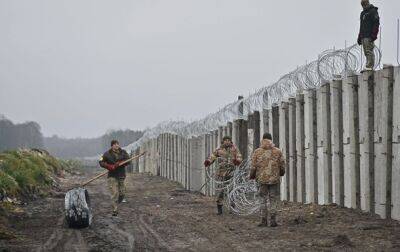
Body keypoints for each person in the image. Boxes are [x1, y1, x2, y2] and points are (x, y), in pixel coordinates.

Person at [250, 133, 285, 227]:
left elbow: (253, 166)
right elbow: (282, 164)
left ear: (262, 140)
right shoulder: (277, 151)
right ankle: (273, 220)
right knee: (273, 199)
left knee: (262, 199)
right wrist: (281, 173)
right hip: (274, 179)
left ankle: (263, 220)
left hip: (261, 179)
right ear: (271, 140)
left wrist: (252, 176)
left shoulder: (257, 152)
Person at [204, 136, 242, 215]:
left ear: (230, 141)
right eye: (225, 140)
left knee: (232, 190)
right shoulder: (219, 150)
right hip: (221, 173)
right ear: (223, 141)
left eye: (228, 140)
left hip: (231, 172)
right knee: (221, 190)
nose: (227, 142)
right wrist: (208, 162)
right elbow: (213, 156)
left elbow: (239, 156)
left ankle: (232, 207)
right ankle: (219, 208)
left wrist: (237, 161)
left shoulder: (234, 149)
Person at [99, 140, 131, 216]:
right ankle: (115, 209)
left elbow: (128, 160)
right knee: (114, 193)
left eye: (118, 144)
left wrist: (121, 163)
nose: (117, 145)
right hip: (112, 176)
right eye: (115, 144)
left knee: (122, 193)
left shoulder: (123, 152)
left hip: (121, 175)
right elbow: (101, 162)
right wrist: (109, 166)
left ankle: (117, 203)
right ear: (112, 146)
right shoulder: (107, 154)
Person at [357, 0, 380, 71]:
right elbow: (361, 26)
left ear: (367, 3)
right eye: (362, 5)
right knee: (365, 52)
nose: (363, 6)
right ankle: (367, 65)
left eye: (364, 4)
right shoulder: (363, 13)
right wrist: (359, 36)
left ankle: (369, 66)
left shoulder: (373, 11)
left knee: (369, 50)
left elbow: (376, 23)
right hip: (363, 35)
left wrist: (374, 35)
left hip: (369, 35)